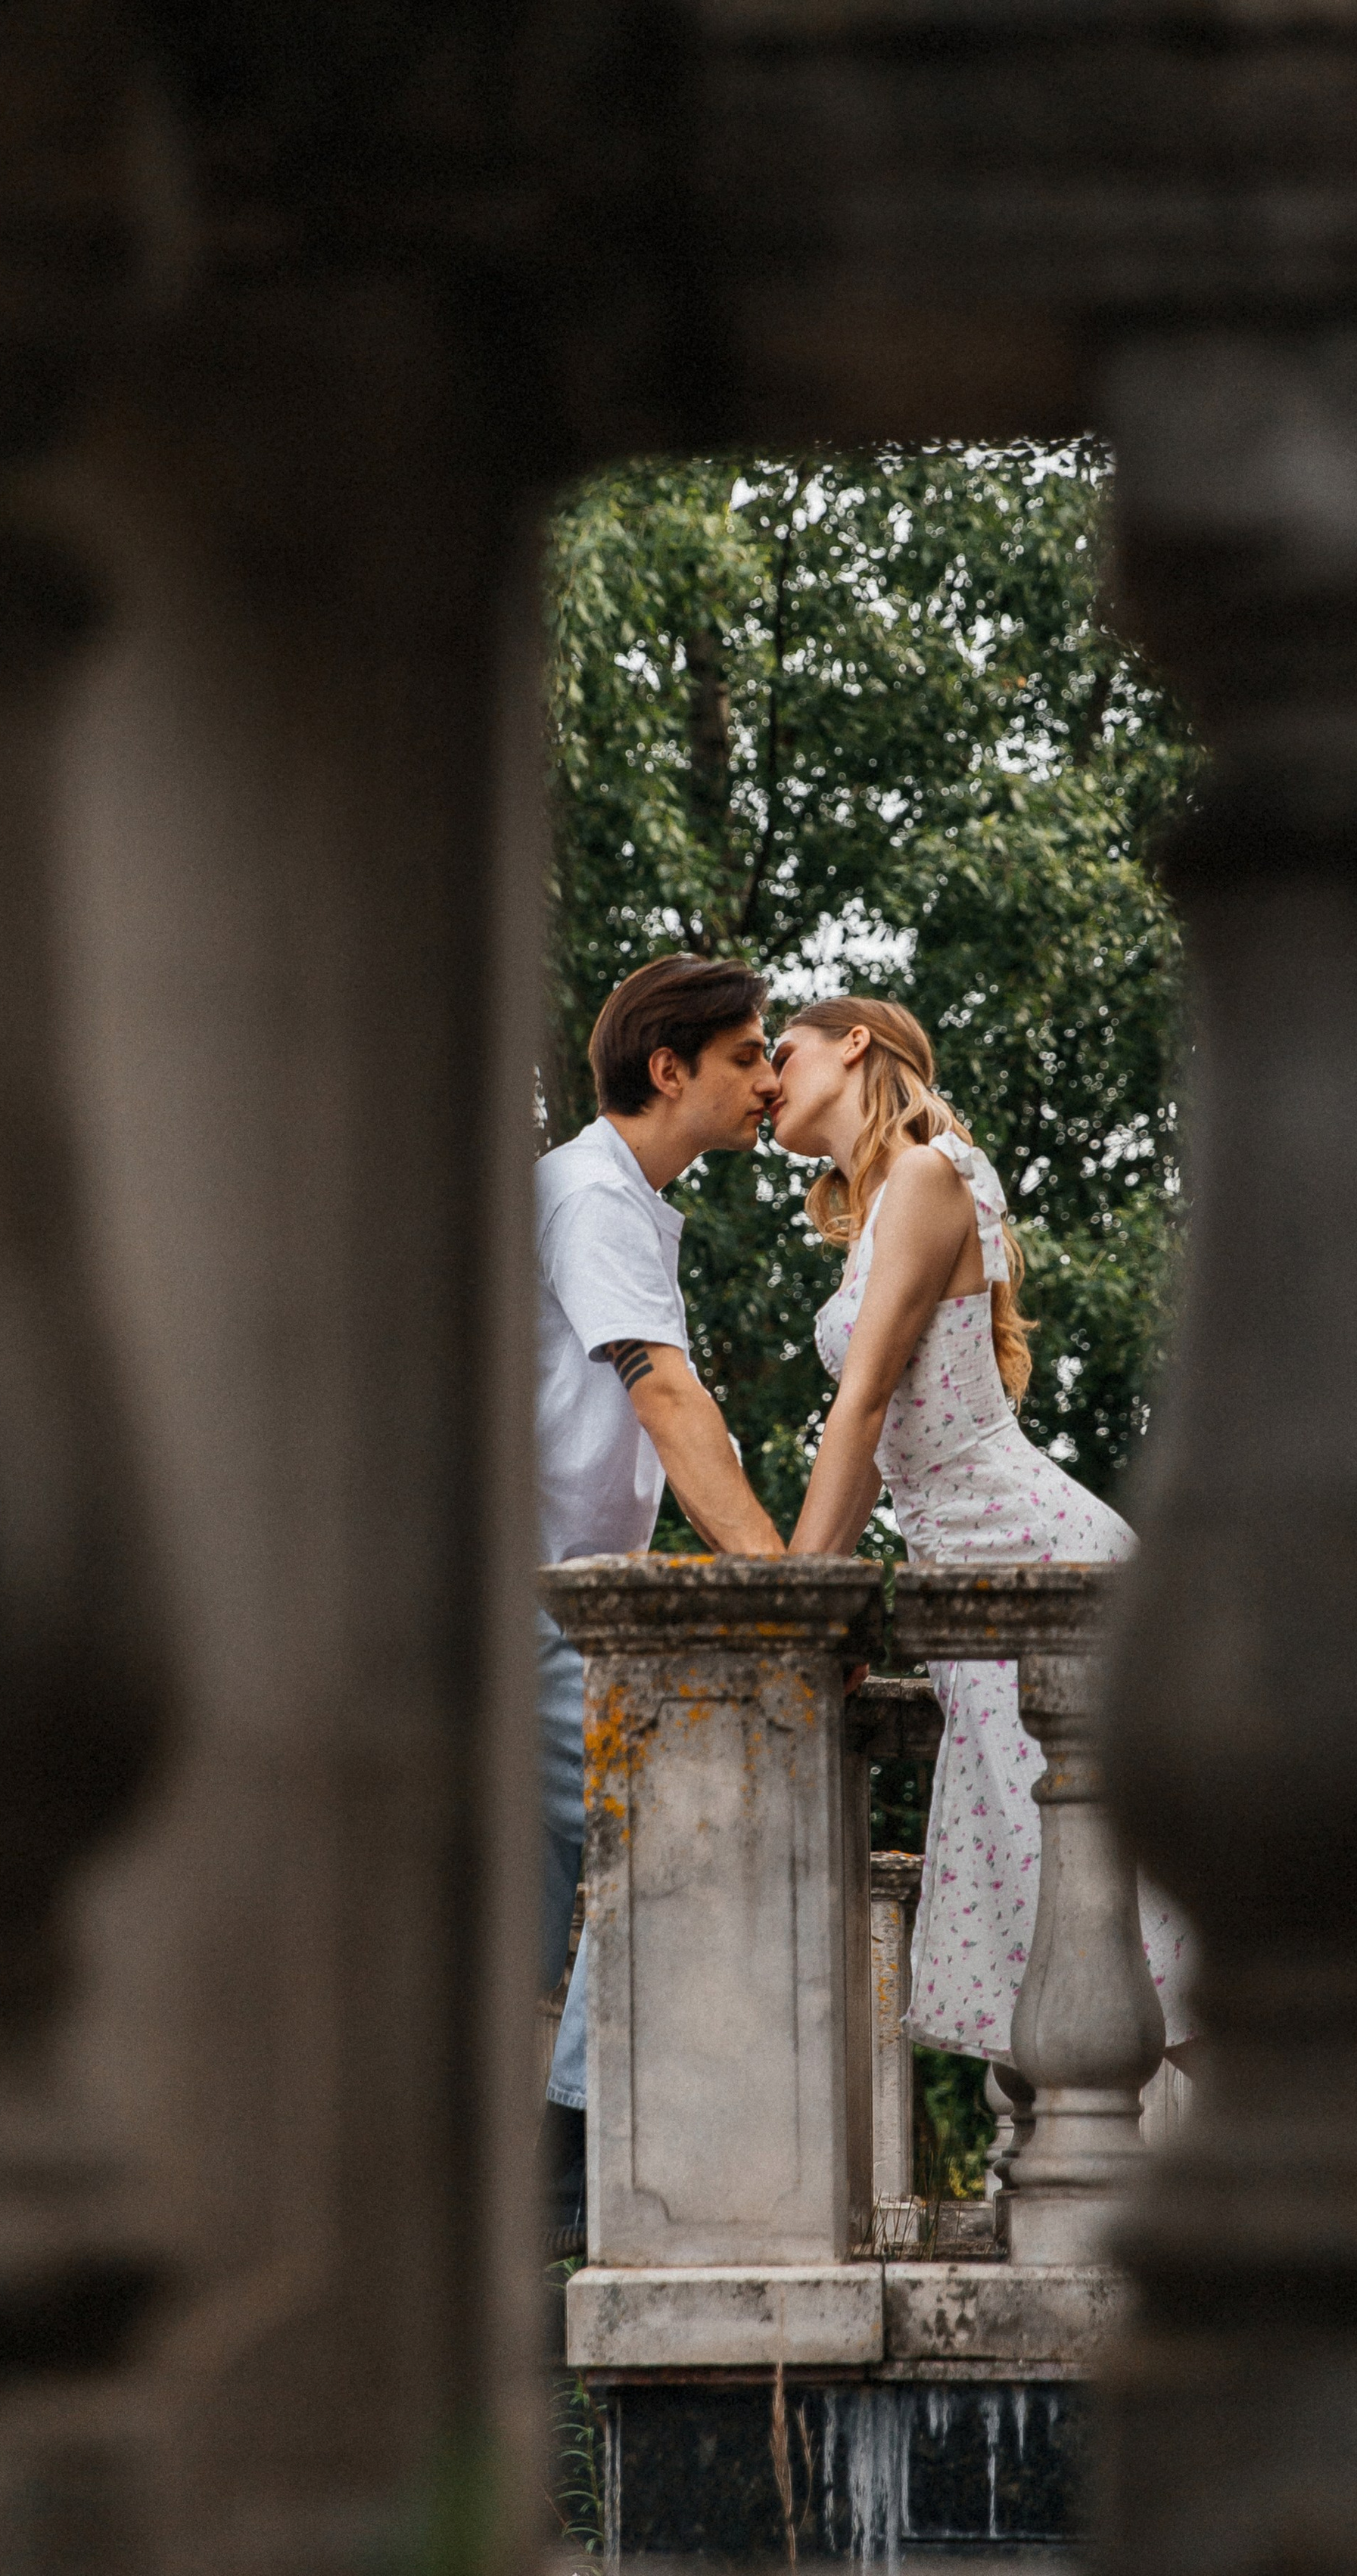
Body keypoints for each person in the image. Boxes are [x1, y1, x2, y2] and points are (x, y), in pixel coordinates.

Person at [772, 994, 1191, 2073]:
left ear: (853, 1043)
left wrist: (793, 1610)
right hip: (970, 1585)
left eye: (783, 1049)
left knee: (1146, 1938)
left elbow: (860, 1409)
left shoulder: (925, 1173)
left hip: (1032, 1562)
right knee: (1074, 1918)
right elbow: (876, 1440)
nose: (768, 1075)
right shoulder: (882, 1206)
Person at [535, 954, 785, 2254]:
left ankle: (551, 2182)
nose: (772, 1079)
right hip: (538, 1607)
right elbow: (668, 1399)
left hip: (564, 1604)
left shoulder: (627, 1203)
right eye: (750, 1056)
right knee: (683, 1828)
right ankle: (567, 2177)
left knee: (570, 1899)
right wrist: (788, 1594)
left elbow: (693, 1412)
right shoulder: (588, 1192)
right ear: (669, 1067)